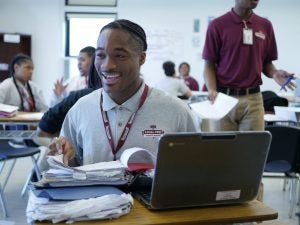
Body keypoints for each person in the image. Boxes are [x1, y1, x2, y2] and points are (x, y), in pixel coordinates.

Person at [49, 19, 198, 166]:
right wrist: (65, 157)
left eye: (120, 56)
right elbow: (67, 169)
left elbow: (196, 167)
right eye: (100, 55)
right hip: (95, 191)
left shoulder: (176, 111)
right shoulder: (80, 110)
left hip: (156, 191)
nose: (107, 66)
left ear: (141, 58)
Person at [202, 0, 295, 132]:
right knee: (222, 149)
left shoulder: (265, 25)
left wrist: (274, 73)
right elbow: (209, 65)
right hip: (223, 98)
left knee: (253, 150)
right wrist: (212, 90)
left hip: (254, 99)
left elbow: (266, 63)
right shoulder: (217, 25)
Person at [37, 54, 102, 137]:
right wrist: (58, 95)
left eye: (82, 60)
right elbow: (55, 112)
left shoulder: (85, 94)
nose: (79, 63)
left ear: (92, 62)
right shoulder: (73, 83)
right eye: (78, 60)